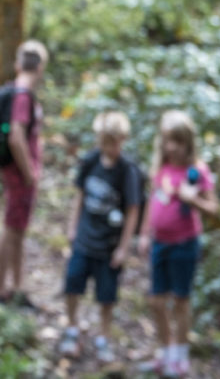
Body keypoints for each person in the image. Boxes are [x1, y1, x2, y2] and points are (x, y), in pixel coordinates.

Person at [136, 111, 219, 377]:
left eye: (177, 142)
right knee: (156, 301)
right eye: (167, 141)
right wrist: (145, 234)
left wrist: (189, 198)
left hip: (185, 244)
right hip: (160, 243)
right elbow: (153, 202)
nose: (171, 147)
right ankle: (166, 351)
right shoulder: (162, 168)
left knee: (181, 300)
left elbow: (213, 208)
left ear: (188, 142)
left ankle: (180, 358)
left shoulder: (197, 171)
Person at [57, 111, 143, 363]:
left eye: (117, 142)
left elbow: (133, 210)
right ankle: (72, 329)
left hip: (109, 245)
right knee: (73, 283)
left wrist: (124, 247)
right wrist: (72, 227)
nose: (112, 147)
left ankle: (103, 338)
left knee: (107, 295)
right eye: (107, 141)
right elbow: (79, 195)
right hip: (85, 239)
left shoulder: (128, 171)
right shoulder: (91, 161)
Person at [0, 40, 48, 307]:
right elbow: (16, 137)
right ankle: (0, 288)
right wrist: (30, 172)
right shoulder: (23, 96)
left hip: (16, 173)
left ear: (17, 64)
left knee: (16, 229)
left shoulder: (16, 92)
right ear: (40, 67)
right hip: (19, 174)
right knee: (12, 229)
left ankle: (15, 286)